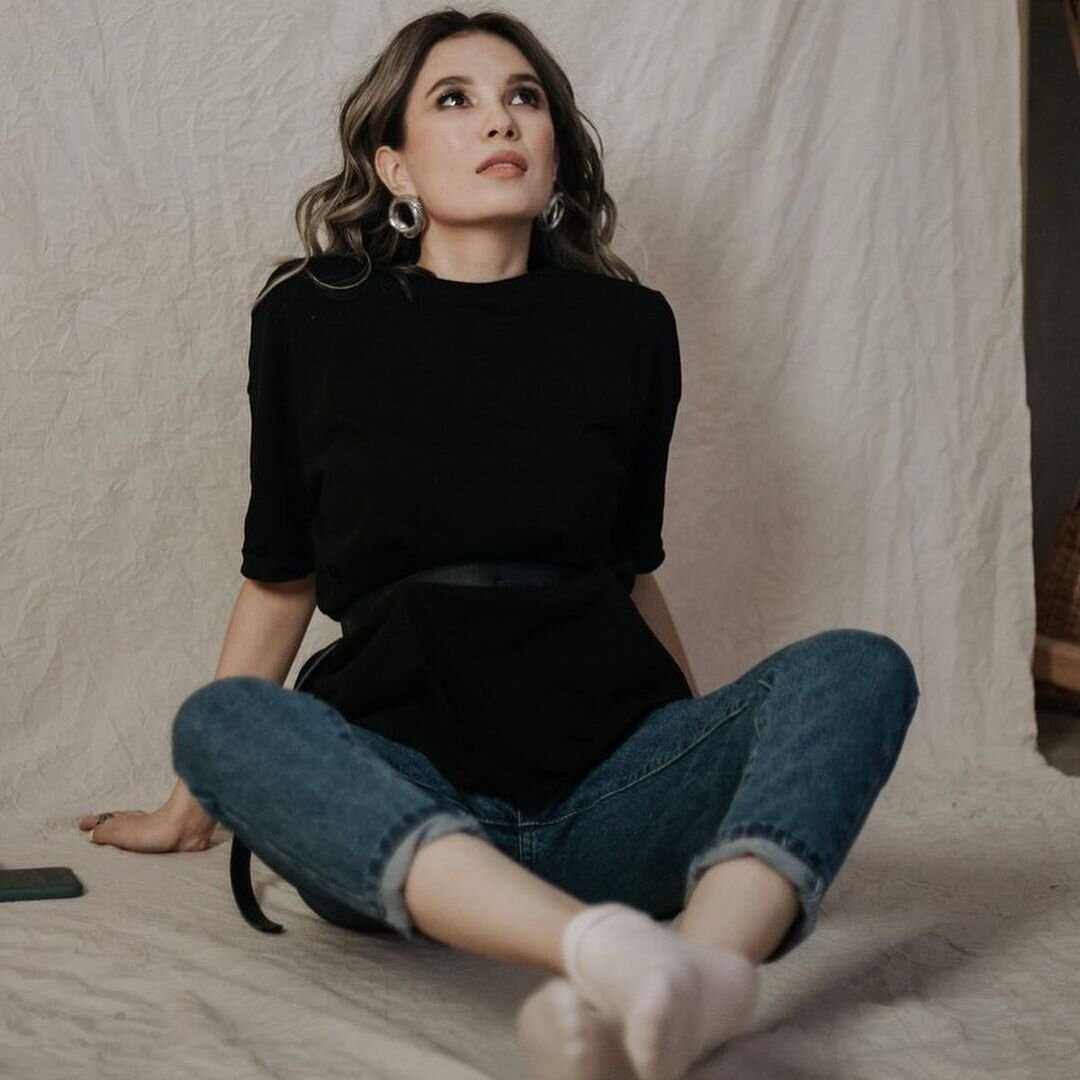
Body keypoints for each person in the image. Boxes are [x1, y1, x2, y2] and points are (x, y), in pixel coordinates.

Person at [78, 10, 920, 1079]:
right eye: (455, 99)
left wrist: (707, 744)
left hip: (607, 790)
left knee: (860, 665)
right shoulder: (312, 316)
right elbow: (281, 574)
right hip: (403, 791)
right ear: (394, 165)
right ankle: (608, 954)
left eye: (525, 97)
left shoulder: (629, 328)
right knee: (221, 722)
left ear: (556, 149)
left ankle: (704, 973)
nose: (500, 119)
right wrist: (188, 807)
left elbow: (630, 571)